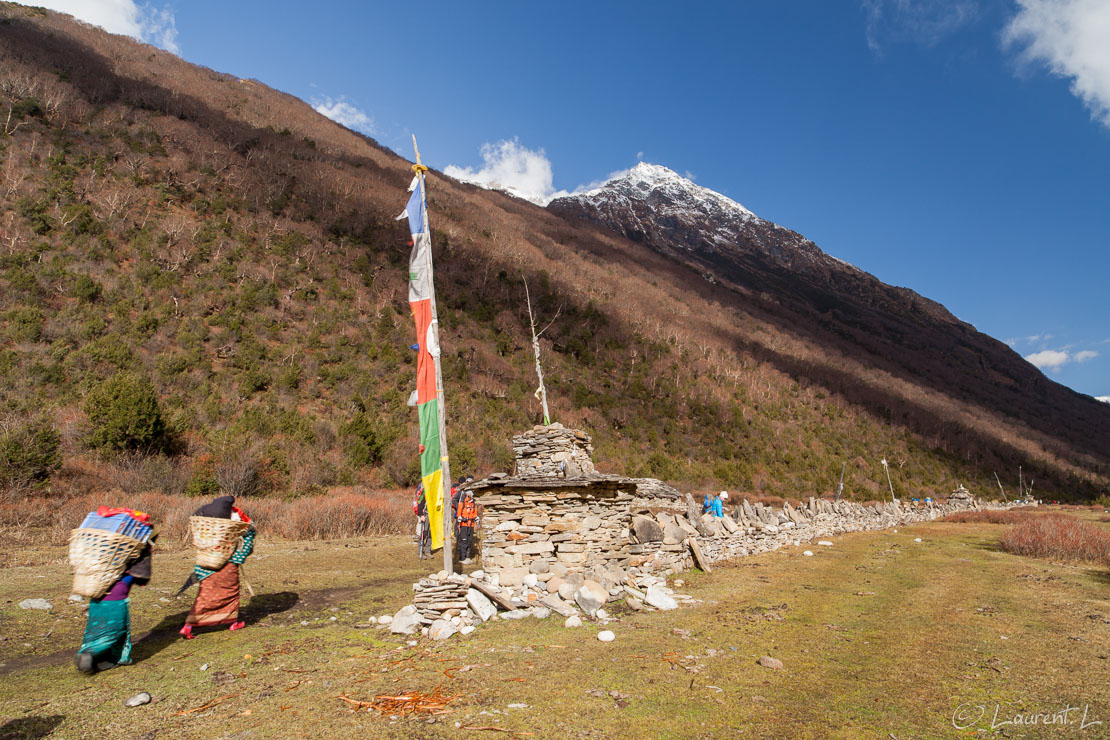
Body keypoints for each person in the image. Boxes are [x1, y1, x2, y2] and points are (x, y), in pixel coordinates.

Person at [77, 513, 155, 675]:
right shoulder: (136, 552)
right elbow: (143, 577)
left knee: (95, 629)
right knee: (114, 631)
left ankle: (92, 653)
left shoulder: (107, 555)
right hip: (116, 598)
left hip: (96, 594)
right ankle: (92, 654)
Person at [180, 495, 255, 640]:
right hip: (228, 561)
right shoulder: (235, 515)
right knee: (230, 592)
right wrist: (241, 555)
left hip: (205, 562)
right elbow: (250, 532)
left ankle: (188, 626)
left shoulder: (203, 514)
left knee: (205, 594)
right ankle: (232, 622)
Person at [456, 488, 478, 564]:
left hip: (471, 525)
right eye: (466, 496)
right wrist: (459, 517)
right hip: (464, 524)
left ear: (471, 496)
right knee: (464, 541)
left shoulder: (474, 504)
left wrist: (476, 517)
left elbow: (475, 513)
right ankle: (462, 558)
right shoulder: (462, 503)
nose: (467, 497)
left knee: (470, 541)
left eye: (468, 496)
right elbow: (459, 512)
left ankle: (468, 557)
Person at [414, 483, 431, 559]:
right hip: (425, 514)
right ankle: (420, 551)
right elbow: (420, 504)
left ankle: (428, 551)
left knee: (430, 533)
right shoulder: (424, 492)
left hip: (433, 514)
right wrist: (421, 515)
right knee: (424, 533)